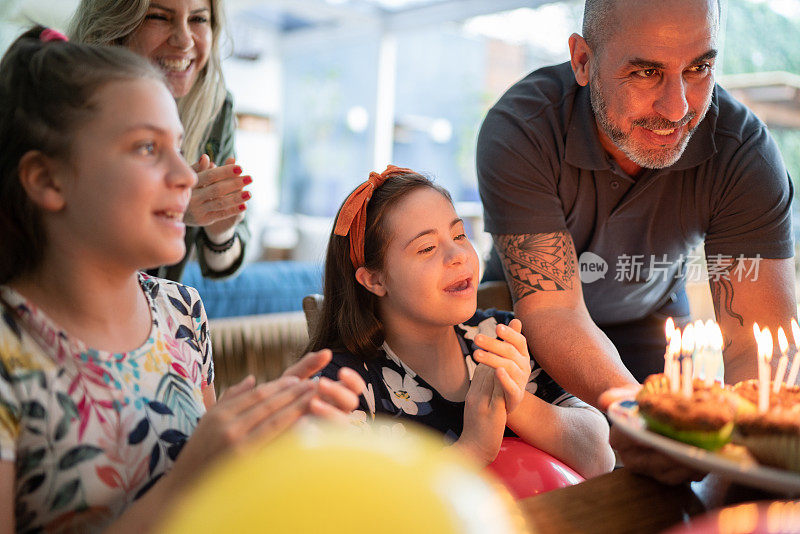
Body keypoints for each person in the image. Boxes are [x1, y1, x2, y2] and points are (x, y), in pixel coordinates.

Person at [0, 28, 364, 533]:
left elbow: (212, 510)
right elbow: (187, 485)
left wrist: (263, 442)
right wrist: (192, 474)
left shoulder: (181, 312)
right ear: (46, 179)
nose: (188, 175)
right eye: (148, 147)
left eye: (179, 145)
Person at [476, 0, 796, 406]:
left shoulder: (744, 154)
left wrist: (728, 462)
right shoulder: (523, 127)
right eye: (646, 72)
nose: (678, 109)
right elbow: (555, 313)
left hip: (652, 312)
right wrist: (636, 414)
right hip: (525, 315)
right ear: (582, 61)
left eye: (698, 69)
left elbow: (761, 348)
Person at [308, 166, 615, 477]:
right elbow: (353, 510)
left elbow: (601, 457)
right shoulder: (341, 383)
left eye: (459, 234)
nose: (457, 254)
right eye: (426, 248)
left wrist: (516, 404)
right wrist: (472, 448)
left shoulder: (503, 336)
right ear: (374, 279)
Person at [69, 0, 250, 282]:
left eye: (199, 20)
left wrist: (220, 231)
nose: (184, 39)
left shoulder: (216, 110)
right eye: (158, 17)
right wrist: (169, 211)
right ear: (115, 29)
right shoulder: (66, 108)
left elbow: (220, 266)